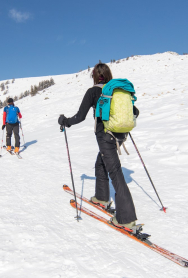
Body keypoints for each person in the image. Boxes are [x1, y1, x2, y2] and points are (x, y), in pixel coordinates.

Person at [58, 63, 139, 231]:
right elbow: (135, 111)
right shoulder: (116, 90)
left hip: (105, 136)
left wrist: (65, 121)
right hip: (120, 134)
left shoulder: (93, 91)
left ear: (94, 76)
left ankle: (126, 218)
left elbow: (80, 117)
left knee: (115, 172)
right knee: (101, 163)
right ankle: (101, 197)